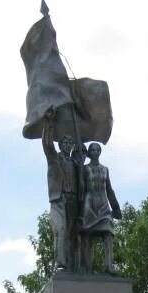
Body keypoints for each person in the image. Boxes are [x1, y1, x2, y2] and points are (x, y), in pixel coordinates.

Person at [41, 107, 81, 272]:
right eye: (65, 142)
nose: (68, 145)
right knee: (61, 229)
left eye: (70, 143)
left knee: (73, 234)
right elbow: (47, 143)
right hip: (59, 200)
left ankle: (73, 266)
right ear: (60, 144)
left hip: (73, 200)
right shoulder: (54, 157)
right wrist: (48, 123)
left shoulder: (75, 162)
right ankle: (60, 263)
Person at [78, 142, 122, 274]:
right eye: (93, 150)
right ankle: (88, 267)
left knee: (108, 233)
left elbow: (109, 189)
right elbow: (80, 189)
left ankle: (109, 266)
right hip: (89, 204)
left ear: (100, 152)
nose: (95, 152)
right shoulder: (84, 169)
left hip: (103, 204)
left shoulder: (105, 169)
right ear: (89, 153)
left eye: (98, 150)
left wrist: (116, 207)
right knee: (88, 236)